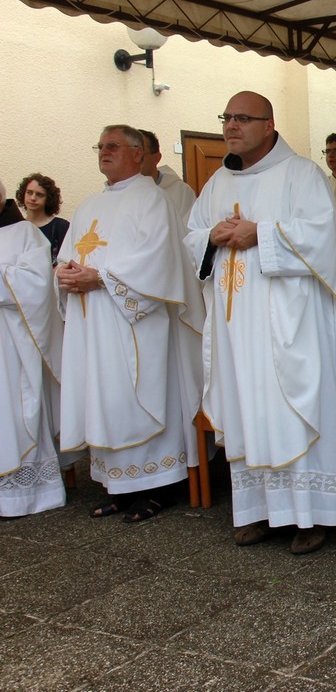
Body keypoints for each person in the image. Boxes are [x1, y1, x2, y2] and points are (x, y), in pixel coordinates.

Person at [185, 92, 336, 555]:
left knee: (297, 409)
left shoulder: (301, 174)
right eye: (227, 117)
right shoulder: (216, 183)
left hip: (292, 323)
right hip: (238, 326)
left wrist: (262, 233)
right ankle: (259, 511)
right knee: (249, 409)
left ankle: (315, 515)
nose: (232, 126)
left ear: (269, 124)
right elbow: (191, 235)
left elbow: (324, 238)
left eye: (243, 118)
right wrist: (210, 237)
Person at [57, 126, 203, 522]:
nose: (103, 152)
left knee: (137, 397)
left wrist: (100, 277)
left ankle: (160, 487)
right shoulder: (88, 205)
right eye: (100, 146)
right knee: (105, 397)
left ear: (138, 154)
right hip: (94, 323)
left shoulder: (153, 200)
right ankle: (117, 486)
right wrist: (65, 274)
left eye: (112, 146)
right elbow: (70, 254)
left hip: (137, 323)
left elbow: (159, 261)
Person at [0, 178, 67, 516]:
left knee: (12, 411)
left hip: (11, 343)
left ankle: (24, 495)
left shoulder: (25, 234)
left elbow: (36, 284)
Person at [139, 129, 196, 226]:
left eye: (140, 154)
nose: (133, 160)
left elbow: (187, 232)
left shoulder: (181, 192)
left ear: (156, 158)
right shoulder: (119, 190)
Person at [16, 173, 69, 263]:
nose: (33, 198)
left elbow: (67, 260)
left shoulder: (61, 227)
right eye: (29, 192)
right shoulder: (16, 228)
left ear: (48, 199)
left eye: (39, 195)